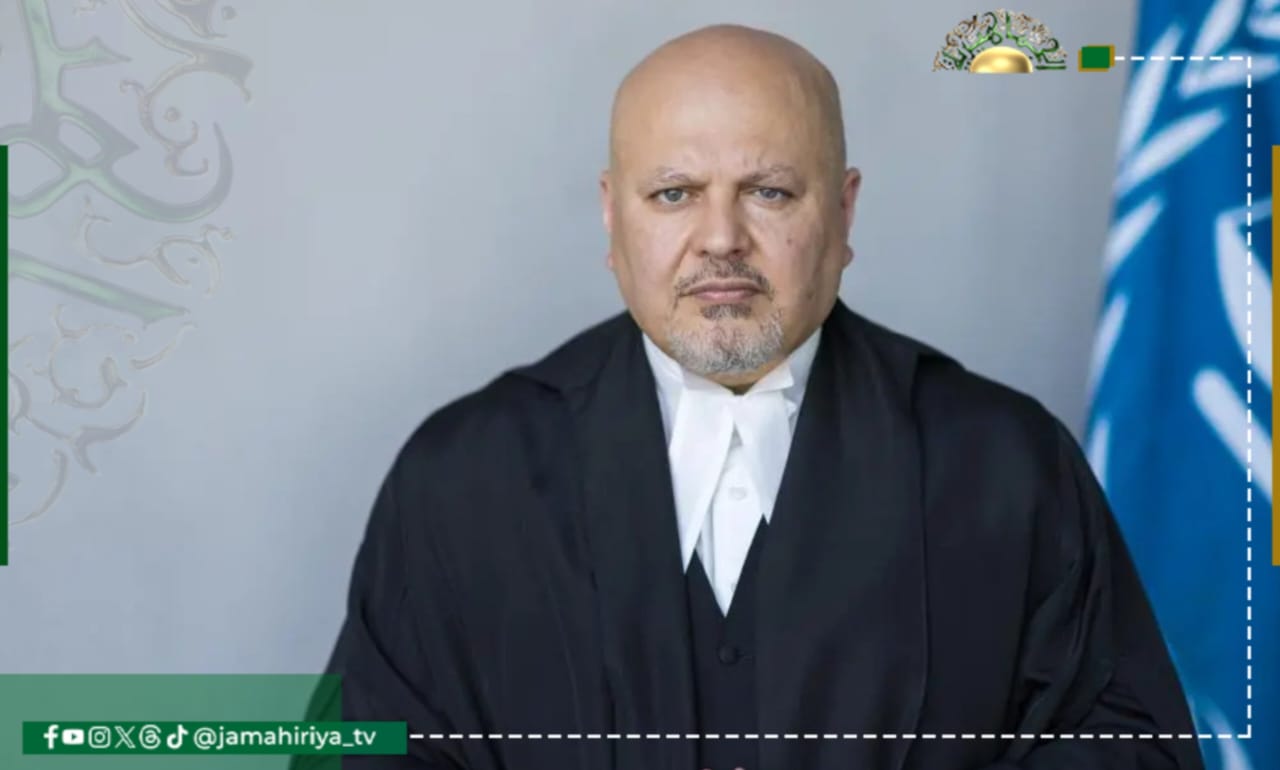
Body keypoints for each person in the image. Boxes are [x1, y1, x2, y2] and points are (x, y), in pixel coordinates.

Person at [314, 23, 1205, 770]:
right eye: (674, 193)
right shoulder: (462, 479)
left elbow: (1130, 750)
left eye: (769, 192)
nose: (720, 239)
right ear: (612, 217)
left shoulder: (1006, 467)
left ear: (844, 214)